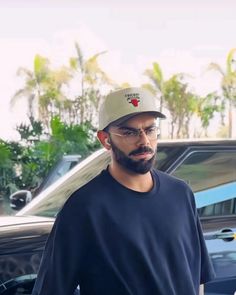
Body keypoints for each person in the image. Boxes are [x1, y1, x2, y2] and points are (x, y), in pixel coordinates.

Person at [32, 87, 215, 295]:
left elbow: (198, 276)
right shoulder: (84, 208)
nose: (144, 141)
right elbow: (51, 289)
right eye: (129, 132)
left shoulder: (181, 194)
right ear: (105, 139)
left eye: (150, 129)